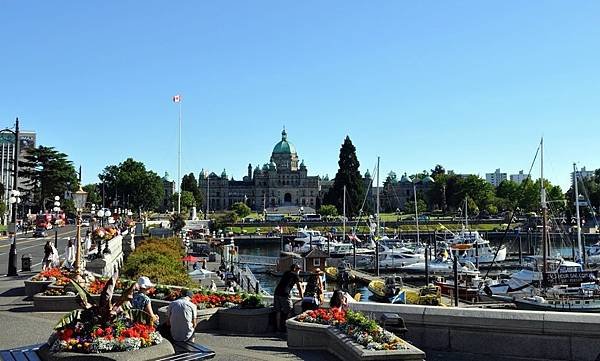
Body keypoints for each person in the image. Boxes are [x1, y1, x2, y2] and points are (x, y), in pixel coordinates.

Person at [273, 263, 303, 332]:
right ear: (295, 269)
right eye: (298, 269)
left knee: (278, 311)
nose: (299, 270)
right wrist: (302, 297)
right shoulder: (295, 275)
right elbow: (299, 287)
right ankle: (288, 328)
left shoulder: (286, 272)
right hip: (284, 294)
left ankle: (278, 328)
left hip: (277, 292)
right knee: (289, 310)